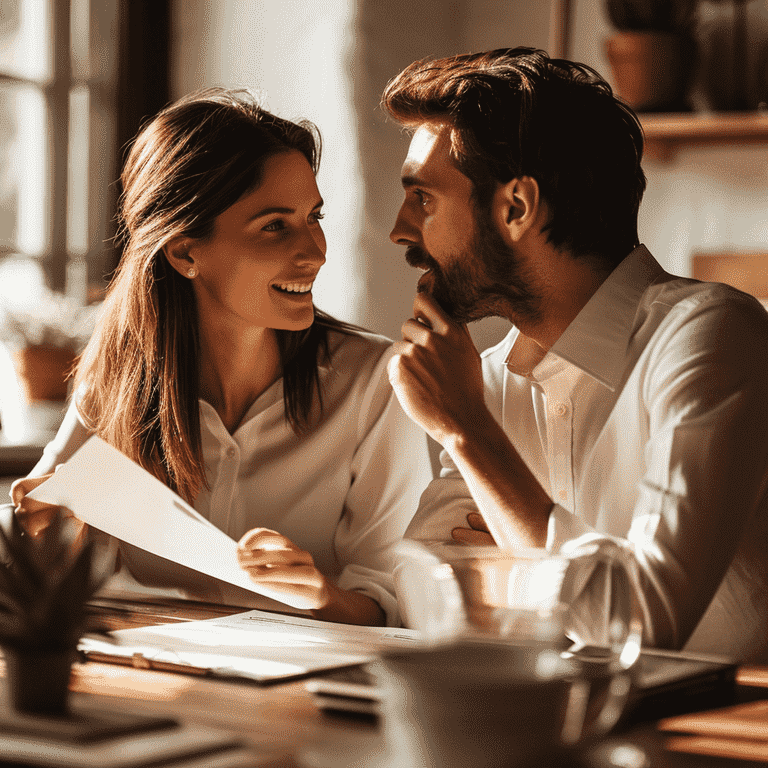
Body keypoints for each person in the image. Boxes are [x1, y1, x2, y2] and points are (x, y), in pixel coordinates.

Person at [382, 47, 768, 660]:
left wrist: (468, 434)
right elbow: (424, 592)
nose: (401, 230)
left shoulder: (710, 338)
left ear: (515, 208)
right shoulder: (486, 378)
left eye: (423, 198)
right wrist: (566, 578)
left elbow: (639, 625)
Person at [11, 87, 433, 627]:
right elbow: (38, 542)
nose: (315, 251)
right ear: (186, 251)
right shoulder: (115, 381)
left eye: (314, 217)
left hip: (311, 693)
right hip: (156, 671)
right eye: (275, 225)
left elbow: (394, 613)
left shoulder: (374, 382)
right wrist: (37, 526)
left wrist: (318, 594)